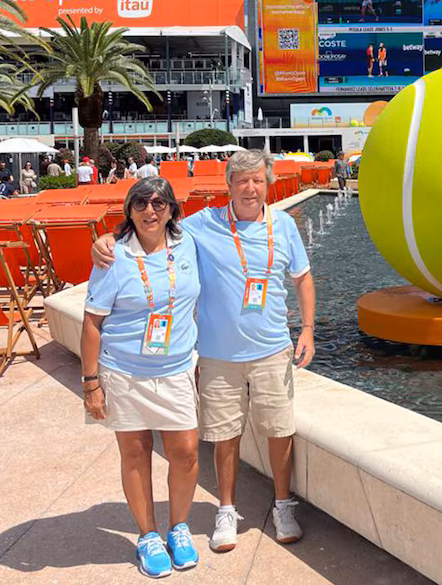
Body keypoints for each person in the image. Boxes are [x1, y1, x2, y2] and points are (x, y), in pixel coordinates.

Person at [93, 149, 315, 552]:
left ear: (268, 184)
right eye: (242, 180)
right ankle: (226, 510)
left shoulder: (283, 225)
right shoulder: (201, 225)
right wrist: (109, 237)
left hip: (272, 350)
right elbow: (150, 226)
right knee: (224, 435)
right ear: (228, 185)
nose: (250, 188)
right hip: (216, 354)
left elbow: (302, 278)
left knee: (280, 431)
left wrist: (309, 329)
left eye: (258, 181)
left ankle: (284, 505)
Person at [82, 177, 203, 578]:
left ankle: (179, 527)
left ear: (172, 209)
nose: (150, 212)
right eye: (140, 205)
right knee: (135, 453)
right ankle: (148, 535)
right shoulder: (113, 256)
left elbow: (234, 220)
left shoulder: (189, 242)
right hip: (125, 372)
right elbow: (92, 322)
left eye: (158, 204)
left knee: (185, 452)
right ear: (129, 211)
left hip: (176, 369)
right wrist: (91, 383)